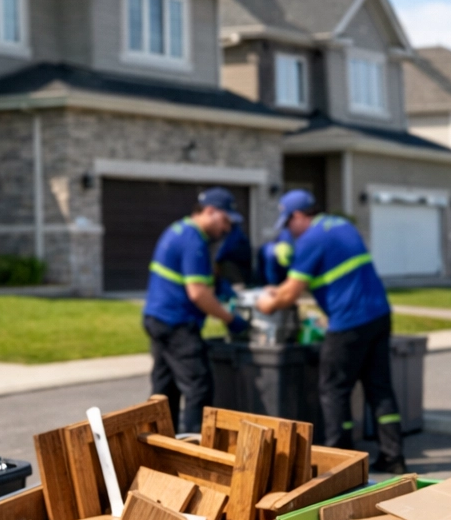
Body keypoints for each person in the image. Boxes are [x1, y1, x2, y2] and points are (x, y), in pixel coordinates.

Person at [256, 189, 405, 474]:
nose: (289, 230)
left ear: (299, 216)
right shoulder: (341, 225)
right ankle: (393, 457)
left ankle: (341, 460)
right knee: (380, 389)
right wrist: (282, 288)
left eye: (288, 223)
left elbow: (290, 295)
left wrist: (267, 303)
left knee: (333, 389)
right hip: (378, 314)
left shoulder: (311, 239)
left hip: (348, 323)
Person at [143, 187, 250, 433]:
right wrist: (231, 319)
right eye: (225, 221)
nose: (226, 229)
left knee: (164, 390)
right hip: (177, 323)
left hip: (158, 318)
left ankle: (158, 444)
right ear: (210, 211)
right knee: (198, 387)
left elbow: (198, 276)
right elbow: (198, 293)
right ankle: (192, 451)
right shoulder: (194, 239)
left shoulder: (178, 230)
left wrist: (220, 285)